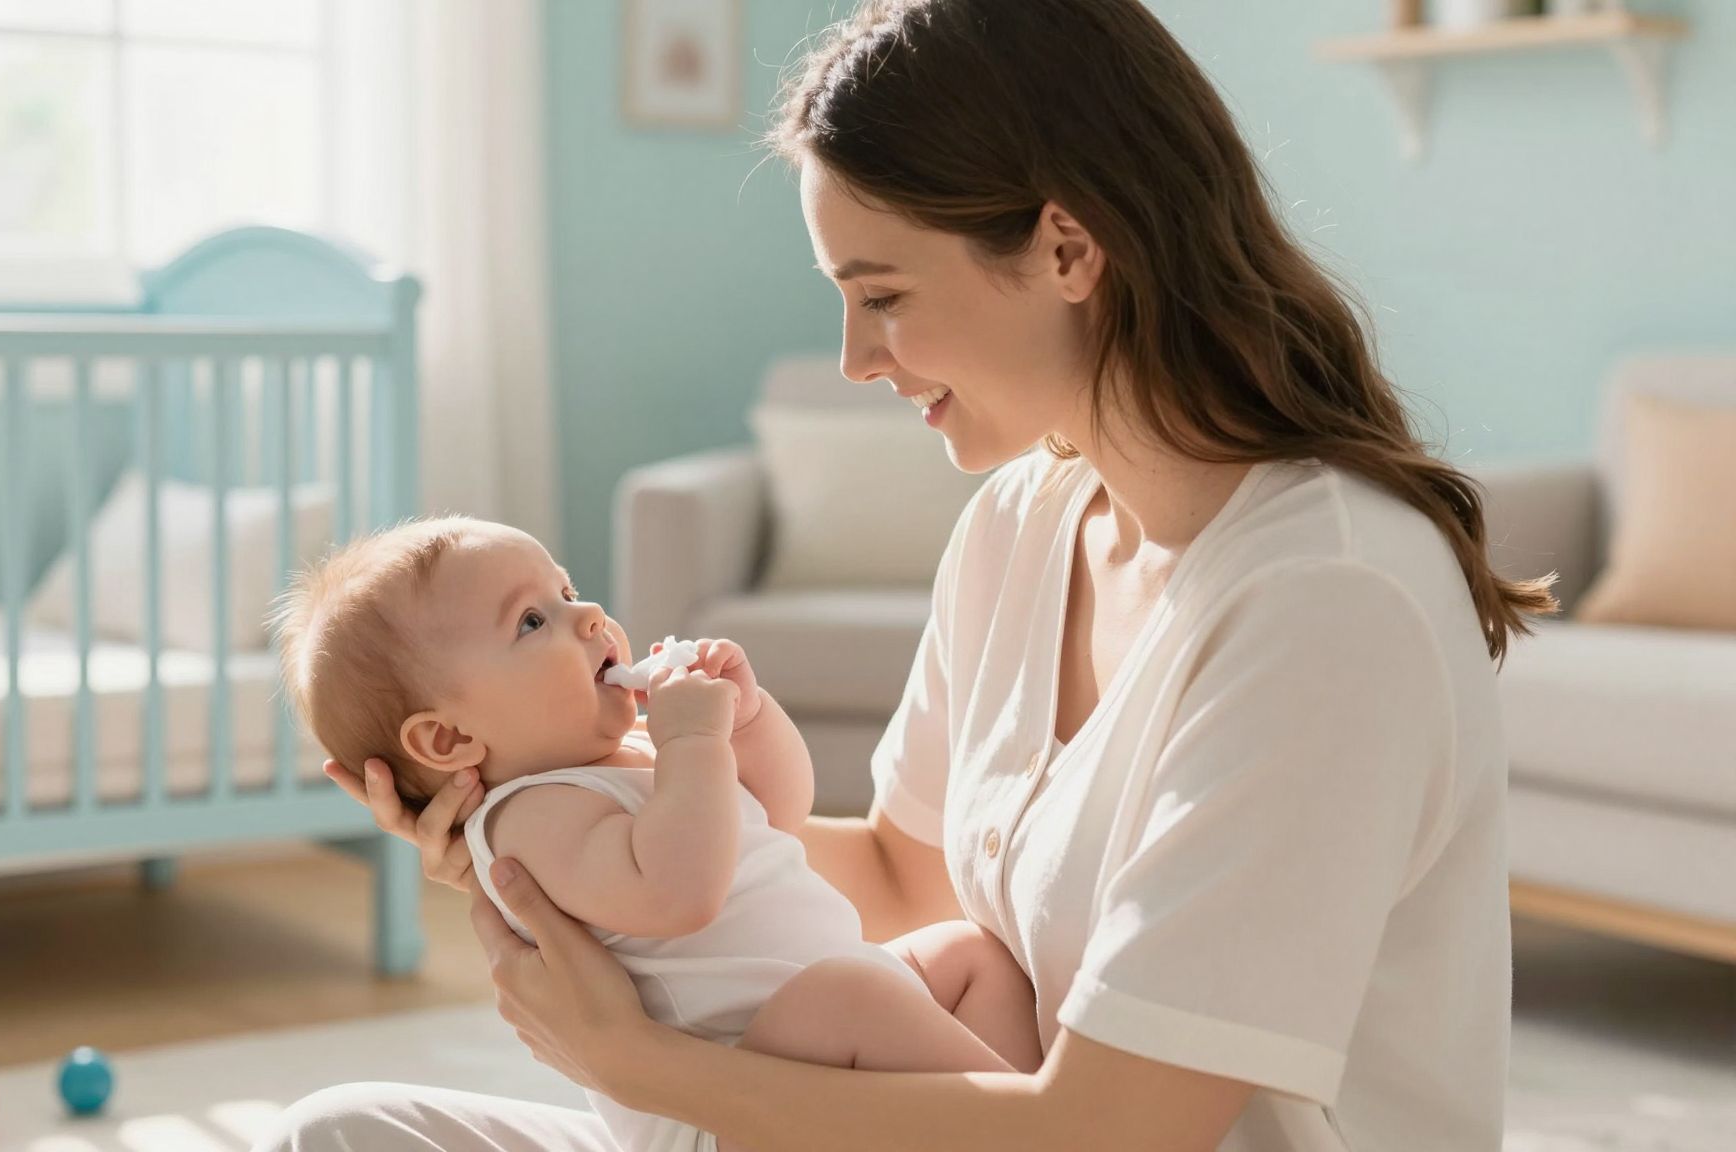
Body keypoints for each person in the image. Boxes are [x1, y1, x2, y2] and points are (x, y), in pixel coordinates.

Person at [261, 0, 1556, 1147]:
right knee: (347, 1132)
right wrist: (553, 830)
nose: (854, 360)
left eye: (880, 294)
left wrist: (632, 1061)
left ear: (1068, 248)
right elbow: (891, 876)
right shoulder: (1027, 523)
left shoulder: (1327, 603)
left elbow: (1111, 1134)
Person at [269, 517, 1039, 1152]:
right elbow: (680, 892)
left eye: (567, 592)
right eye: (532, 622)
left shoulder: (630, 756)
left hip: (806, 1048)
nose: (589, 617)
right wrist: (694, 746)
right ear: (447, 741)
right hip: (722, 1111)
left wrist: (749, 718)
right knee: (851, 990)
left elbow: (777, 810)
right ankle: (1019, 1133)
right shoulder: (529, 819)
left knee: (970, 957)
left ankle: (1039, 1122)